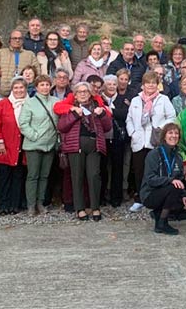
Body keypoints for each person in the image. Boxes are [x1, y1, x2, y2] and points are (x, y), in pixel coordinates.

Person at [58, 82, 113, 221]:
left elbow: (108, 127)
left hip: (95, 145)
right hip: (75, 145)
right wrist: (75, 115)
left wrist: (102, 115)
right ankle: (80, 208)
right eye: (80, 91)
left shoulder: (97, 107)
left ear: (90, 94)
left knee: (94, 175)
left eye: (86, 91)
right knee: (77, 177)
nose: (83, 94)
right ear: (75, 95)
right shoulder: (70, 108)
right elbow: (62, 126)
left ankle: (95, 207)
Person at [140, 122, 186, 234]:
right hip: (151, 194)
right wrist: (170, 180)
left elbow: (179, 179)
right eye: (170, 133)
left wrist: (184, 196)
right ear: (164, 136)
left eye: (176, 133)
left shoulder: (178, 157)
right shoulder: (154, 154)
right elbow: (150, 179)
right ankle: (162, 223)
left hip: (170, 192)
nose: (173, 136)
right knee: (173, 187)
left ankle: (159, 213)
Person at [126, 72, 176, 212]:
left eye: (153, 83)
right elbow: (129, 119)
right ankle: (140, 198)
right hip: (139, 140)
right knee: (139, 170)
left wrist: (161, 127)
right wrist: (133, 133)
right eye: (148, 83)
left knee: (155, 170)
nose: (150, 85)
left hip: (155, 139)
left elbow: (172, 116)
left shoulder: (163, 99)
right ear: (143, 85)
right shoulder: (136, 100)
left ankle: (154, 197)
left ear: (157, 84)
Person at [18, 75, 58, 216]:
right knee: (33, 176)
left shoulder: (56, 101)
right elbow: (23, 123)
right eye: (42, 85)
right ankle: (31, 205)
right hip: (34, 145)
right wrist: (34, 136)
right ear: (36, 87)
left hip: (50, 144)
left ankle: (41, 202)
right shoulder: (30, 103)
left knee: (44, 175)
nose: (45, 87)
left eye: (47, 84)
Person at [0, 77, 29, 215]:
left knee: (18, 176)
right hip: (5, 146)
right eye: (16, 88)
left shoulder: (30, 103)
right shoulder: (3, 104)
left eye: (21, 87)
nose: (19, 90)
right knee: (4, 176)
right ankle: (4, 205)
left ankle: (15, 205)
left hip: (23, 147)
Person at [103, 74, 131, 207]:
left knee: (118, 168)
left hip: (118, 137)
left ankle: (116, 197)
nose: (112, 86)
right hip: (103, 138)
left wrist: (110, 111)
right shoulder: (100, 99)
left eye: (114, 84)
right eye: (109, 84)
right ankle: (102, 195)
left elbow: (125, 114)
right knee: (102, 168)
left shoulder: (123, 99)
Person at [0, 30, 40, 96]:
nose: (17, 40)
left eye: (19, 38)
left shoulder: (30, 54)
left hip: (24, 93)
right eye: (15, 38)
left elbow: (37, 72)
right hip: (3, 92)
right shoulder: (1, 53)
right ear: (10, 40)